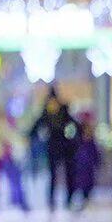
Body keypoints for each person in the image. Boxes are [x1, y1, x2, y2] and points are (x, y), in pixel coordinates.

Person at [29, 85, 78, 214]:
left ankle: (65, 200)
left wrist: (73, 137)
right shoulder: (48, 112)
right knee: (54, 175)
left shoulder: (60, 111)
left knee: (65, 175)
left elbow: (73, 124)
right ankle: (53, 201)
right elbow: (36, 126)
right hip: (56, 147)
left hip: (63, 147)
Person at [71, 114, 101, 211]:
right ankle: (81, 202)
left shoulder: (91, 141)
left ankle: (85, 201)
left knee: (87, 185)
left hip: (88, 167)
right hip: (81, 166)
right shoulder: (78, 140)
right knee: (81, 184)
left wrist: (97, 162)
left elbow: (95, 153)